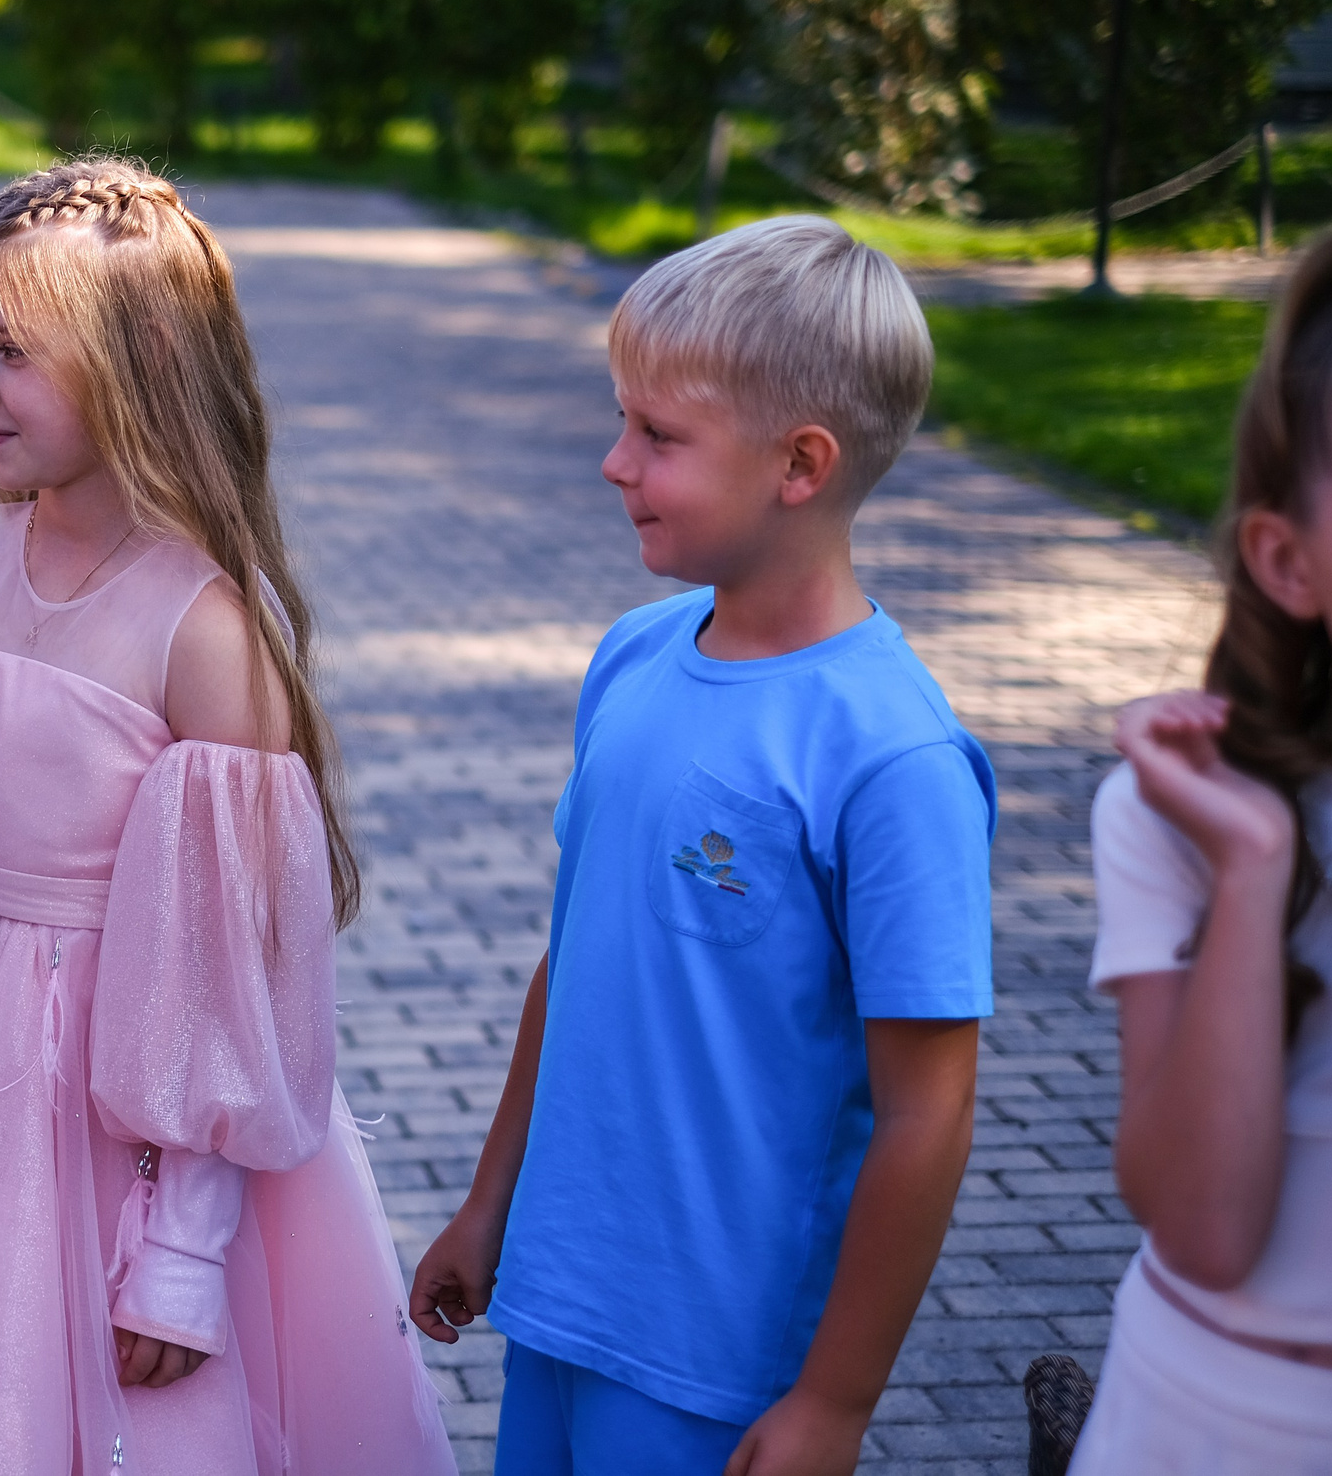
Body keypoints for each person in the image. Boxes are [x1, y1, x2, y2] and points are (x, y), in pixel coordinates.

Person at [0, 158, 457, 1476]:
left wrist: (179, 1249)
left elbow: (233, 976)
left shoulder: (204, 626)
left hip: (125, 1113)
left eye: (13, 353)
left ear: (144, 354)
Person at [407, 216, 992, 1475]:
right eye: (623, 422)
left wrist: (833, 1402)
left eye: (657, 436)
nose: (613, 464)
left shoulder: (892, 758)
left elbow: (928, 1111)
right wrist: (488, 1203)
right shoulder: (631, 656)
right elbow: (572, 961)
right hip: (558, 1299)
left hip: (714, 1362)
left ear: (799, 464)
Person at [1070, 231, 1332, 1473]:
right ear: (1287, 560)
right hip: (1201, 1419)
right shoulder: (1180, 819)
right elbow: (1202, 1227)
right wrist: (1248, 869)